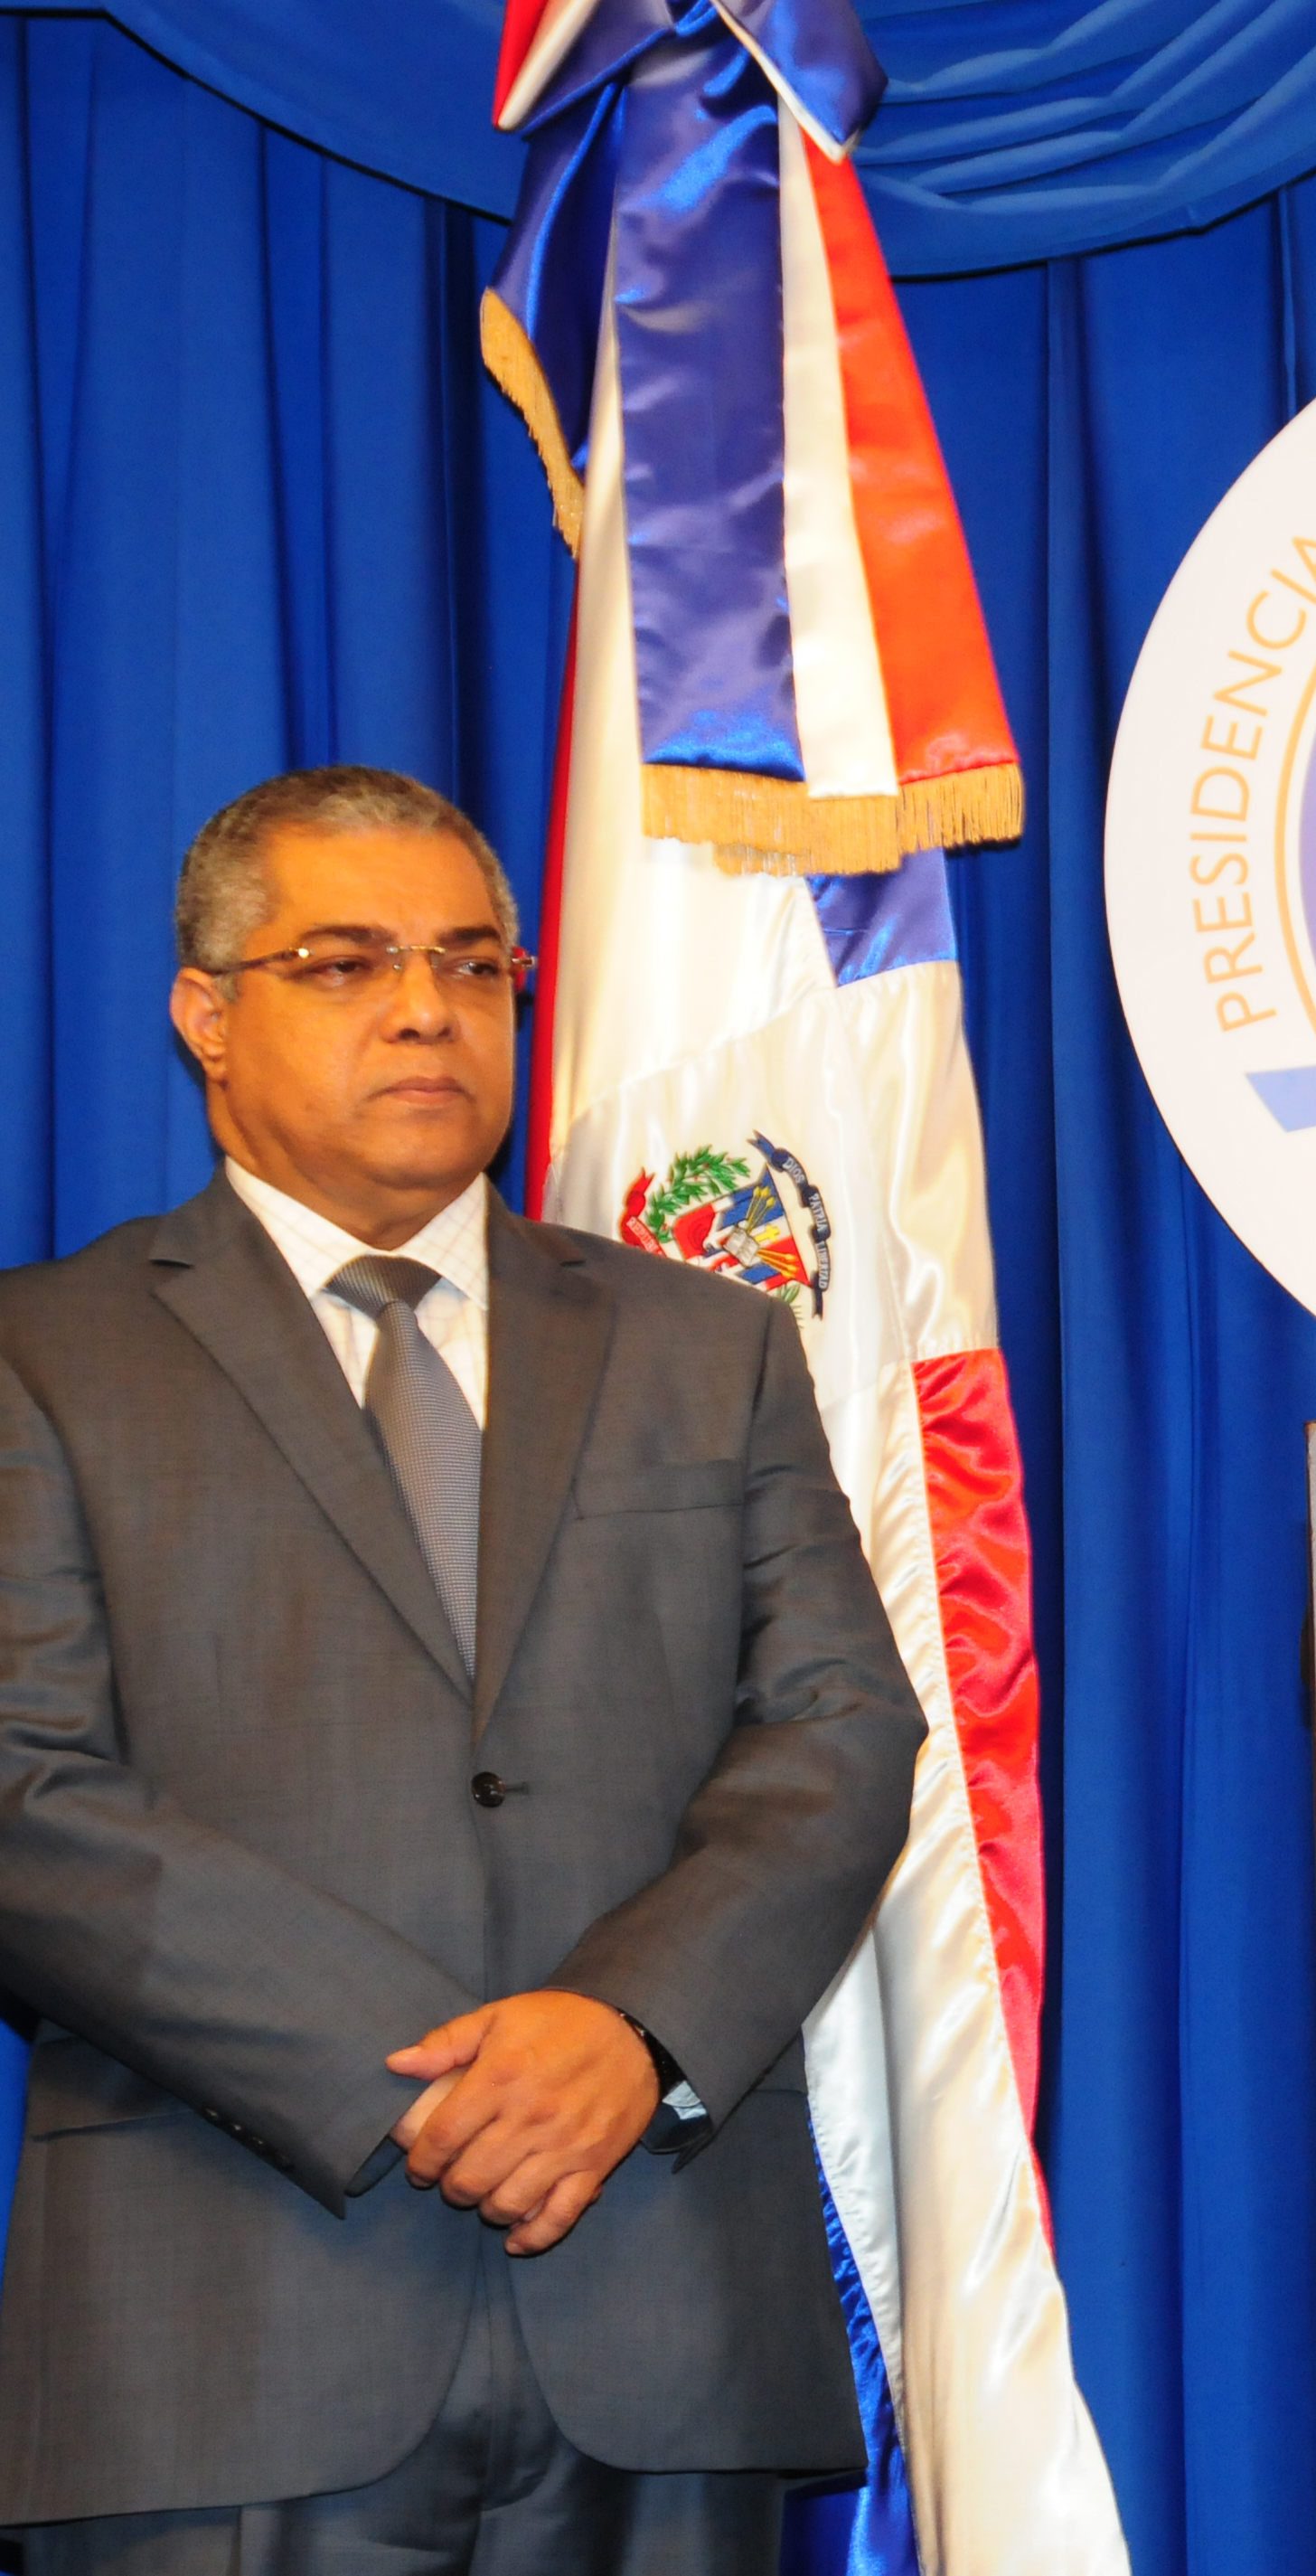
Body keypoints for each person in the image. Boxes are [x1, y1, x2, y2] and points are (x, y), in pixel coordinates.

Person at [0, 769, 925, 2571]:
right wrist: (423, 2078)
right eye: (344, 961)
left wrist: (628, 2028)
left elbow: (838, 1727)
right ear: (206, 1012)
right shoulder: (44, 1356)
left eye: (472, 960)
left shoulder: (709, 1343)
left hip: (663, 2316)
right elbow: (28, 1791)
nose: (426, 1007)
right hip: (226, 2330)